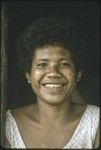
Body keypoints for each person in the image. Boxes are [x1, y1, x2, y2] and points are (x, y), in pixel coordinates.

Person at [5, 17, 100, 149]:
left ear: (78, 74)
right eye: (42, 64)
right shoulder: (8, 124)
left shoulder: (95, 123)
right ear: (28, 75)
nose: (53, 72)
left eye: (64, 64)